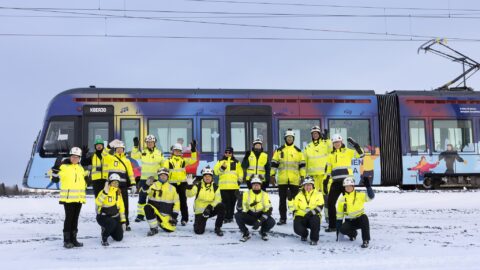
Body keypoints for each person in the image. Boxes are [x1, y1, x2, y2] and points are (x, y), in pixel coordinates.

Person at [324, 134, 364, 232]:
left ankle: (350, 224)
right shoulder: (330, 155)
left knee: (349, 203)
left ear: (341, 142)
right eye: (335, 143)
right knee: (330, 203)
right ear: (333, 144)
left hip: (347, 183)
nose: (336, 144)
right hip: (335, 182)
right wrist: (325, 181)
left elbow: (361, 154)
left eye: (338, 142)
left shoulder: (348, 152)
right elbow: (328, 170)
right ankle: (332, 226)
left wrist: (355, 145)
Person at [50, 147, 87, 248]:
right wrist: (55, 170)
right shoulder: (64, 167)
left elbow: (82, 182)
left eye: (77, 157)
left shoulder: (80, 168)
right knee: (69, 219)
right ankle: (67, 240)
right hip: (68, 199)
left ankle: (74, 239)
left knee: (75, 219)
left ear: (79, 158)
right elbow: (54, 179)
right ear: (70, 157)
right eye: (73, 156)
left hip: (79, 199)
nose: (75, 158)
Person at [271, 129, 306, 225]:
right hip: (282, 179)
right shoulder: (279, 150)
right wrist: (272, 175)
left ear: (293, 139)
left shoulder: (298, 151)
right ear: (285, 138)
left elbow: (302, 165)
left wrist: (302, 177)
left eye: (291, 137)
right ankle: (283, 218)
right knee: (282, 201)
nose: (289, 139)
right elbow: (274, 164)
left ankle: (296, 217)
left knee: (296, 200)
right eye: (288, 137)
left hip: (295, 179)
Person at [162, 140, 197, 226]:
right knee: (172, 202)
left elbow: (193, 160)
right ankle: (173, 218)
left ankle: (184, 219)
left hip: (182, 184)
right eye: (176, 150)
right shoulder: (168, 161)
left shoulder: (183, 161)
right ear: (173, 151)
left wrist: (193, 150)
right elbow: (164, 171)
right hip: (171, 184)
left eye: (179, 151)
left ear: (181, 152)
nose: (177, 152)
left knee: (183, 202)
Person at [131, 135, 164, 222]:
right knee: (142, 197)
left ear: (154, 143)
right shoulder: (142, 152)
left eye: (151, 142)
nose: (150, 144)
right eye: (148, 142)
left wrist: (164, 175)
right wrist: (135, 146)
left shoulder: (159, 153)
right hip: (144, 179)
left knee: (155, 197)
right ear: (146, 143)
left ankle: (155, 214)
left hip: (156, 179)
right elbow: (134, 156)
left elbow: (163, 164)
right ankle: (140, 215)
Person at [104, 140, 136, 231]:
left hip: (123, 187)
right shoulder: (110, 158)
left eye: (121, 149)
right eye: (117, 149)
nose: (119, 150)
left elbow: (130, 173)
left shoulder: (127, 161)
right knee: (112, 204)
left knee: (124, 205)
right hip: (112, 187)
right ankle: (114, 222)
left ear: (124, 150)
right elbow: (103, 154)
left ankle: (125, 223)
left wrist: (133, 184)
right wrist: (109, 146)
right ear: (115, 149)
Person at [336, 177, 375, 248]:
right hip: (349, 222)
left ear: (353, 186)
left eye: (349, 186)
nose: (348, 188)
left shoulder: (359, 195)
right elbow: (339, 216)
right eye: (346, 186)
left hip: (360, 219)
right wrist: (338, 232)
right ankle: (353, 234)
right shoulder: (342, 199)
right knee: (343, 229)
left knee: (364, 218)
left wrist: (368, 187)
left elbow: (371, 197)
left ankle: (365, 240)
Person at [186, 166, 225, 236]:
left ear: (212, 177)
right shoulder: (198, 185)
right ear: (203, 177)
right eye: (205, 176)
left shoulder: (215, 187)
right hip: (200, 212)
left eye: (209, 176)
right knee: (199, 231)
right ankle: (198, 223)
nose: (207, 178)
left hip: (210, 210)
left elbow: (218, 199)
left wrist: (210, 207)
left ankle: (218, 227)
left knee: (221, 206)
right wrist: (189, 186)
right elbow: (189, 195)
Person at [234, 176, 275, 242]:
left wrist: (260, 221)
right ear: (251, 185)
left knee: (272, 222)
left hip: (261, 216)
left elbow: (269, 210)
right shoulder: (246, 194)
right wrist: (239, 201)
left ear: (260, 185)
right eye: (254, 184)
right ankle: (245, 233)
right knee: (237, 215)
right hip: (250, 216)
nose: (256, 186)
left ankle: (263, 232)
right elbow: (241, 210)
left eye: (257, 184)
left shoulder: (265, 194)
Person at [303, 126, 331, 219]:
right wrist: (303, 175)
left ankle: (328, 216)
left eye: (317, 133)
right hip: (312, 177)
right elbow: (305, 161)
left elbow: (331, 149)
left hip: (324, 177)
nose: (315, 135)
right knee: (313, 197)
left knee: (326, 197)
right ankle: (314, 216)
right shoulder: (308, 146)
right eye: (313, 134)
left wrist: (327, 139)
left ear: (319, 134)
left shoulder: (325, 144)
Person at [288, 176, 324, 245]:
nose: (308, 187)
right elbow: (293, 208)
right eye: (306, 185)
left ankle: (314, 239)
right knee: (297, 229)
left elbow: (320, 207)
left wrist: (311, 213)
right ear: (303, 186)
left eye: (310, 185)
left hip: (313, 216)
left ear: (313, 185)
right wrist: (290, 200)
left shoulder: (318, 194)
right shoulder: (299, 195)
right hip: (301, 216)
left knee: (315, 220)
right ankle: (304, 234)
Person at [144, 168, 180, 235]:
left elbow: (177, 203)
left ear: (167, 176)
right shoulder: (153, 185)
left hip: (166, 216)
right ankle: (154, 228)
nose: (163, 177)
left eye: (165, 175)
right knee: (147, 207)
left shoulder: (172, 188)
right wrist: (146, 186)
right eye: (161, 175)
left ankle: (160, 222)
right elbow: (143, 194)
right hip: (155, 212)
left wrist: (174, 216)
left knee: (170, 230)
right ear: (158, 176)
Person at [214, 146, 244, 223]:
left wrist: (239, 181)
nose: (227, 154)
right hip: (223, 187)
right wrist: (222, 168)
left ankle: (230, 217)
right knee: (225, 202)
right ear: (224, 153)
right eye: (226, 152)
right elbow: (216, 172)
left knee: (232, 202)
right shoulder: (220, 161)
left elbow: (240, 173)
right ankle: (226, 217)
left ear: (232, 153)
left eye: (229, 152)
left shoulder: (237, 162)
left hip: (234, 186)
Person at [95, 173, 126, 246]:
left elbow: (121, 208)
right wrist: (104, 193)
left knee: (119, 238)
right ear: (110, 183)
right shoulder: (104, 191)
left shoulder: (118, 193)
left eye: (117, 182)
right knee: (112, 223)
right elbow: (98, 202)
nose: (115, 184)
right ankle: (104, 237)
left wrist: (123, 221)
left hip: (115, 217)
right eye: (113, 182)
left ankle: (109, 229)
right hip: (103, 217)